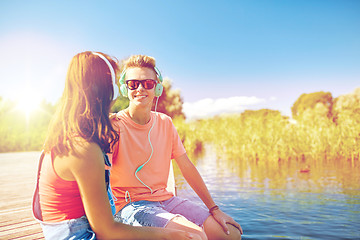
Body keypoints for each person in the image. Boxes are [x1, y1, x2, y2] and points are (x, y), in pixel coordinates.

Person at [32, 51, 198, 240]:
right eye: (119, 82)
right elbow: (107, 230)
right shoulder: (84, 149)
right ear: (107, 88)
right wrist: (168, 235)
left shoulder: (71, 136)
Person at [110, 54, 243, 240]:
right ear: (125, 88)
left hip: (166, 200)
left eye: (147, 83)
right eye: (133, 84)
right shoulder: (114, 125)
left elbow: (187, 167)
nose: (140, 88)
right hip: (131, 206)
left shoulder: (165, 123)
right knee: (194, 236)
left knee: (231, 234)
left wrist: (215, 209)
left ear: (156, 88)